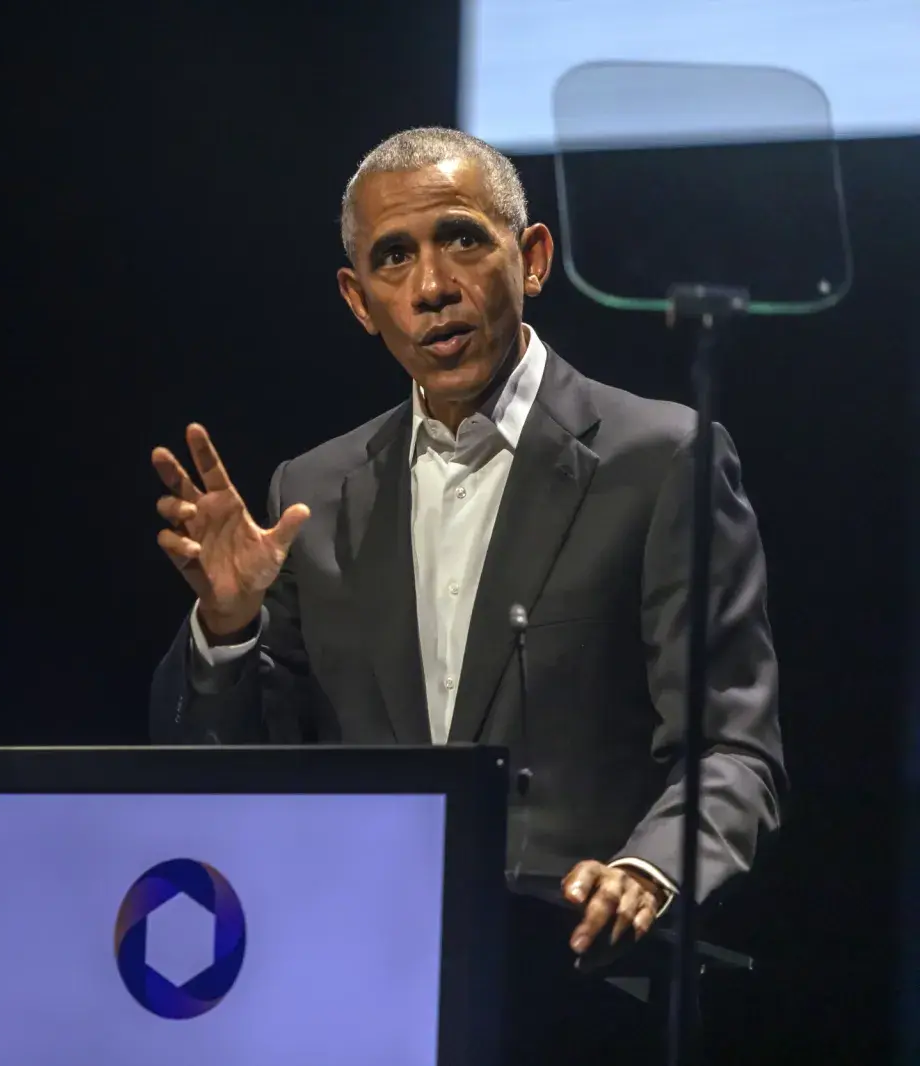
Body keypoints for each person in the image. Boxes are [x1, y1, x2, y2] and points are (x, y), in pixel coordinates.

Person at [146, 127, 785, 1058]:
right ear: (358, 300)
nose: (432, 286)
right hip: (358, 991)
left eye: (462, 240)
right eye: (393, 258)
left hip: (579, 995)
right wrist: (228, 625)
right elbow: (230, 772)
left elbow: (736, 750)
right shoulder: (309, 495)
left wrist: (648, 869)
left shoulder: (661, 461)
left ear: (531, 259)